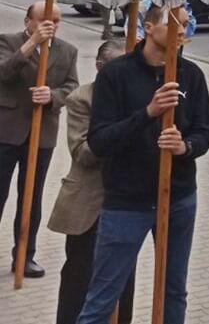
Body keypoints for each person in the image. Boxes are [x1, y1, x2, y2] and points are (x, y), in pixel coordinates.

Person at [76, 4, 209, 324]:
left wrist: (185, 147)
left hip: (178, 197)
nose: (182, 31)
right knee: (103, 294)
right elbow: (99, 140)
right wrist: (148, 113)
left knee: (174, 291)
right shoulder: (116, 75)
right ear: (148, 28)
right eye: (174, 23)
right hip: (127, 202)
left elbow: (204, 131)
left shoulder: (191, 74)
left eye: (186, 24)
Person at [49, 41, 136, 324]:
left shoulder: (136, 98)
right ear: (100, 67)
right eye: (118, 66)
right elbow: (83, 153)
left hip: (127, 203)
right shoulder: (82, 99)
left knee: (123, 281)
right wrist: (123, 131)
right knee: (80, 278)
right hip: (88, 205)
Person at [0, 1, 79, 278]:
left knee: (31, 198)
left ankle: (25, 255)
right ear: (28, 21)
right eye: (44, 19)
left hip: (42, 133)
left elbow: (72, 86)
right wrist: (32, 43)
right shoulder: (7, 41)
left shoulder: (68, 51)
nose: (50, 25)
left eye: (56, 21)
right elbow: (3, 71)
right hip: (7, 132)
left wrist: (52, 96)